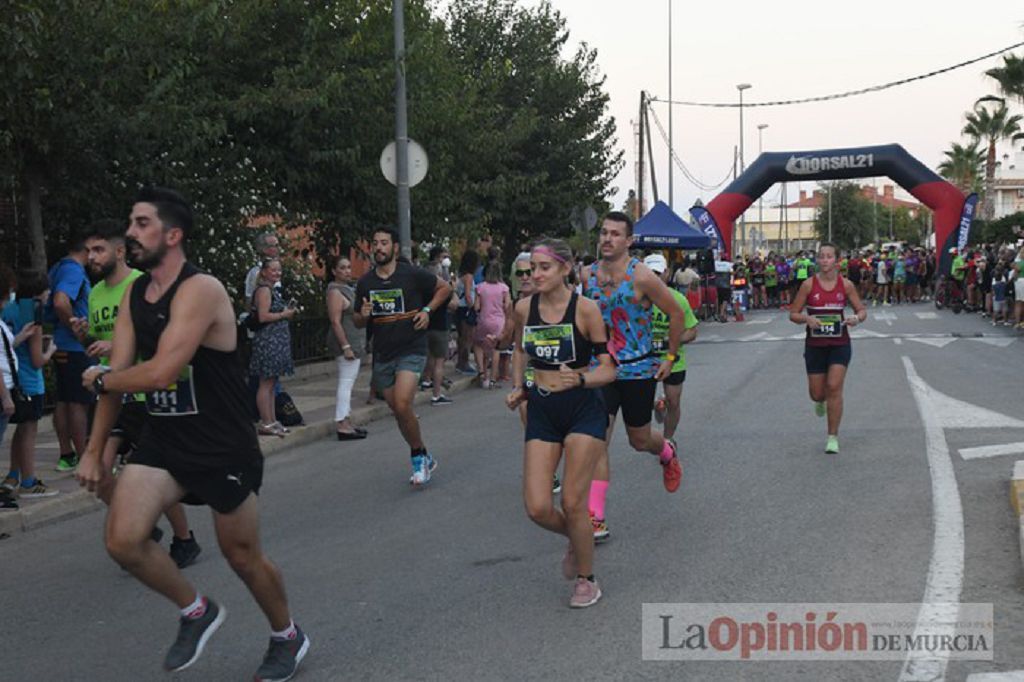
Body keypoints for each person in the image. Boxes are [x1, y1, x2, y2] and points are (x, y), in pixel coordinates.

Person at [76, 186, 309, 679]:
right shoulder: (136, 295)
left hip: (222, 443)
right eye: (131, 223)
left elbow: (159, 371)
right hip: (165, 440)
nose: (131, 233)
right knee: (122, 539)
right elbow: (116, 380)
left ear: (173, 234)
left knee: (242, 556)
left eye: (142, 224)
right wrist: (94, 451)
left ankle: (287, 635)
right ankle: (195, 609)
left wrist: (106, 378)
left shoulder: (201, 289)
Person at [75, 219, 201, 567]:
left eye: (98, 250)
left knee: (153, 473)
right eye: (88, 251)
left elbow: (162, 341)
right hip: (113, 396)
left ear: (119, 251)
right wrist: (86, 338)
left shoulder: (141, 285)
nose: (91, 257)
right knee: (98, 471)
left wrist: (114, 344)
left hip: (146, 396)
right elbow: (107, 351)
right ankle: (142, 527)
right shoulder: (97, 292)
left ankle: (184, 539)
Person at [506, 238, 615, 608]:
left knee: (571, 501)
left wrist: (582, 379)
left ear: (565, 269)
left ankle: (587, 579)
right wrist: (519, 386)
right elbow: (521, 349)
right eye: (530, 269)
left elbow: (609, 368)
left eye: (542, 268)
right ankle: (578, 537)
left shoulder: (585, 310)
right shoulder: (523, 308)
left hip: (584, 407)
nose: (534, 275)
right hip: (543, 408)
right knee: (537, 506)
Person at [582, 212, 684, 543]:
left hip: (639, 369)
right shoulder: (588, 277)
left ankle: (666, 450)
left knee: (639, 440)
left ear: (629, 241)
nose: (607, 239)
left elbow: (675, 313)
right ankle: (595, 516)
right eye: (604, 233)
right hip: (603, 369)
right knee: (598, 439)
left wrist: (669, 357)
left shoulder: (641, 277)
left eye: (615, 234)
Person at [354, 227, 452, 486]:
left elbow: (444, 289)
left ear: (395, 247)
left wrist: (428, 311)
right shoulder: (366, 283)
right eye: (375, 243)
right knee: (399, 411)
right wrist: (362, 315)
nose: (379, 248)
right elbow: (358, 321)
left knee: (401, 403)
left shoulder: (412, 274)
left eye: (384, 243)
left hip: (412, 348)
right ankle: (424, 452)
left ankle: (417, 457)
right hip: (383, 354)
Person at [788, 242, 867, 455]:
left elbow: (861, 310)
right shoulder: (808, 285)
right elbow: (793, 313)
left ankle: (832, 437)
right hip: (815, 346)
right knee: (817, 393)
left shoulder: (847, 285)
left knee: (834, 387)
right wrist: (807, 318)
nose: (824, 260)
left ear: (837, 260)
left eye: (829, 256)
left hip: (839, 344)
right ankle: (819, 401)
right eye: (821, 256)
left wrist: (855, 319)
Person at [1, 269, 57, 501]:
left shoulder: (9, 311)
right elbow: (37, 360)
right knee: (28, 433)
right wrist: (51, 350)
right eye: (46, 291)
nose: (49, 294)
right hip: (31, 384)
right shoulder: (34, 317)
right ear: (39, 294)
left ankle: (13, 475)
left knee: (19, 432)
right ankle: (29, 480)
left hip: (15, 381)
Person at [47, 230, 95, 472]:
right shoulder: (74, 270)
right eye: (94, 250)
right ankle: (84, 457)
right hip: (74, 346)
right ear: (85, 249)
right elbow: (60, 300)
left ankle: (67, 454)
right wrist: (76, 327)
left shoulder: (58, 267)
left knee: (65, 400)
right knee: (78, 402)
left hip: (60, 344)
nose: (95, 256)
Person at [644, 255, 699, 444]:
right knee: (641, 403)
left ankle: (667, 440)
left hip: (672, 358)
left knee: (674, 402)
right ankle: (658, 404)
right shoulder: (634, 300)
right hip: (644, 360)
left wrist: (673, 340)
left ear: (666, 274)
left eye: (658, 273)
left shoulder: (678, 299)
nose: (654, 277)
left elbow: (692, 332)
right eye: (650, 273)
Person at [250, 258, 296, 437]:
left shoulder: (272, 290)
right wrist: (284, 314)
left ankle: (272, 420)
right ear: (264, 272)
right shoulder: (263, 290)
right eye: (274, 270)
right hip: (268, 342)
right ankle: (266, 422)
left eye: (279, 270)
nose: (277, 273)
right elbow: (263, 316)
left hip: (276, 341)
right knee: (265, 383)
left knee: (271, 383)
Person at [327, 256, 368, 439]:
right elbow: (335, 322)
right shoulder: (335, 292)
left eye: (349, 267)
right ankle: (342, 423)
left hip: (354, 340)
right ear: (334, 271)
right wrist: (346, 346)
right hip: (346, 343)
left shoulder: (347, 289)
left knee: (349, 383)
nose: (347, 271)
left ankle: (347, 420)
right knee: (346, 382)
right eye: (342, 268)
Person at [423, 246, 454, 405]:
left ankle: (425, 381)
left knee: (428, 357)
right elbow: (452, 304)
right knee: (439, 362)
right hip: (440, 325)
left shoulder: (422, 287)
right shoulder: (442, 289)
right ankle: (436, 394)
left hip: (425, 325)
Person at [473, 261, 511, 388]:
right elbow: (507, 306)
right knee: (496, 349)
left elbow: (476, 306)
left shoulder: (480, 287)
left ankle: (483, 375)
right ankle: (493, 379)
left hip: (484, 320)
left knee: (480, 346)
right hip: (499, 321)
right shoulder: (504, 288)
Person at [454, 250, 478, 374]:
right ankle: (464, 362)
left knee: (461, 336)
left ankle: (460, 362)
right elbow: (468, 295)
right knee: (468, 337)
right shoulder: (469, 276)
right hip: (467, 309)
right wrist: (473, 307)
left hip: (459, 308)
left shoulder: (460, 275)